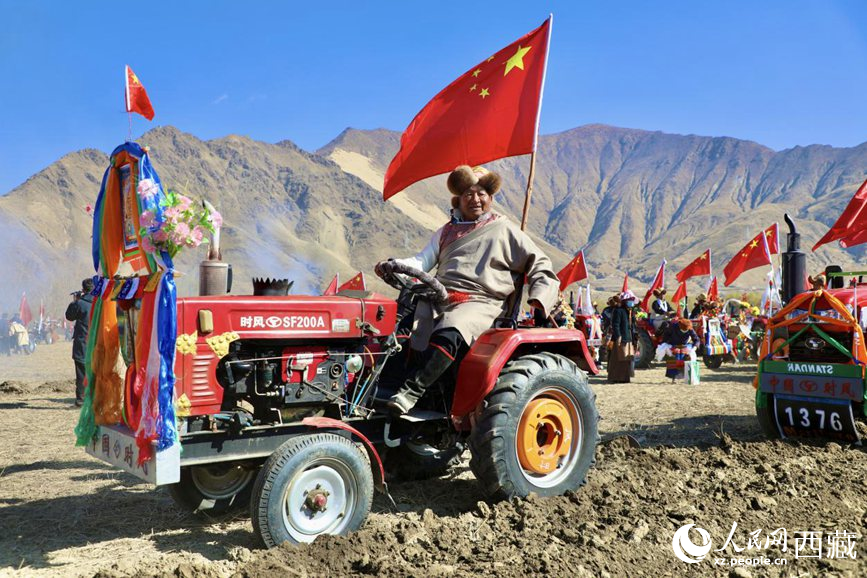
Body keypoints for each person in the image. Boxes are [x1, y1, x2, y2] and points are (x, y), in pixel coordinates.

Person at [376, 165, 560, 415]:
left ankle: (411, 391)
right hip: (439, 296)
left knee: (452, 326)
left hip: (481, 302)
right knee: (400, 327)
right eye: (468, 194)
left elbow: (540, 262)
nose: (475, 199)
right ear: (459, 199)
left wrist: (539, 297)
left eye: (481, 193)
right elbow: (422, 261)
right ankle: (382, 390)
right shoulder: (446, 231)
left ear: (490, 198)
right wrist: (395, 265)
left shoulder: (504, 230)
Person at [65, 278, 94, 407]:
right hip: (98, 342)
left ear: (83, 289)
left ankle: (81, 400)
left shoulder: (80, 303)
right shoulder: (101, 301)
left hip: (82, 342)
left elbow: (69, 316)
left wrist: (75, 301)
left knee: (81, 372)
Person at [608, 291, 636, 383]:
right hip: (621, 338)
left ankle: (624, 378)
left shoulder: (629, 312)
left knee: (626, 359)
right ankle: (615, 378)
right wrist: (618, 335)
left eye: (632, 300)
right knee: (618, 359)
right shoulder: (618, 311)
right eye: (629, 300)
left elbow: (631, 326)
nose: (631, 302)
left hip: (628, 338)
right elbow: (615, 325)